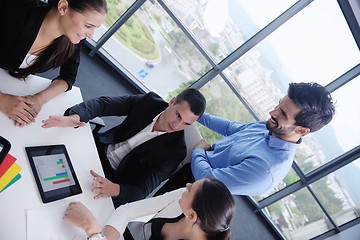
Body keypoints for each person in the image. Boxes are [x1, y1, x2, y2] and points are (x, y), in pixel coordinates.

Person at [155, 82, 336, 197]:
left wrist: (199, 152)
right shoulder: (270, 127)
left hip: (196, 192)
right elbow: (229, 128)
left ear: (302, 130)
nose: (272, 113)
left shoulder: (266, 170)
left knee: (150, 225)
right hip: (195, 166)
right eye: (278, 105)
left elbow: (207, 178)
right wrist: (196, 114)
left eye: (282, 114)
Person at [42, 88, 206, 207]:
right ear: (171, 102)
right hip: (98, 149)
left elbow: (142, 190)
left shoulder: (175, 152)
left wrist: (115, 189)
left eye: (186, 123)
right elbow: (104, 104)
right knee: (46, 162)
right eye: (178, 115)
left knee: (60, 202)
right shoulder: (150, 102)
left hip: (111, 179)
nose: (177, 125)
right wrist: (75, 117)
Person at [0, 0, 107, 127]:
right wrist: (3, 100)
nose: (91, 35)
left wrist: (39, 99)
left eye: (95, 28)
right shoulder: (13, 12)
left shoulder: (72, 38)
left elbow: (68, 77)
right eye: (88, 26)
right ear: (63, 7)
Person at [64, 178, 235, 240]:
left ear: (191, 216)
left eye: (191, 189)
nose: (187, 185)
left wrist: (92, 230)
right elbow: (128, 210)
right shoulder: (183, 197)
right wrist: (105, 238)